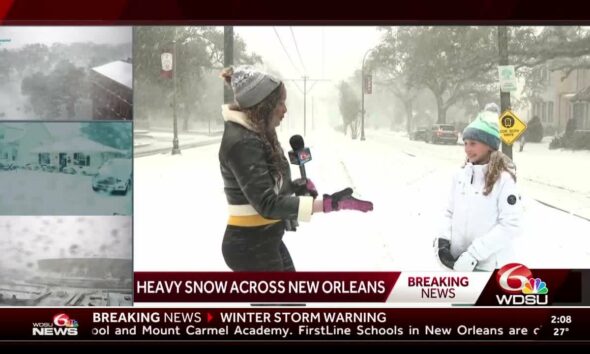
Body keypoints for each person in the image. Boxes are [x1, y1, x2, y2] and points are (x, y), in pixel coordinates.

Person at [218, 66, 373, 272]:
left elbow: (264, 188)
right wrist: (328, 204)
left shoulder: (256, 135)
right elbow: (266, 203)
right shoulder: (242, 142)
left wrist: (293, 187)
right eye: (280, 103)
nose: (285, 110)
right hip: (249, 246)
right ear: (264, 106)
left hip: (264, 238)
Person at [434, 103, 523, 271]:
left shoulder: (504, 180)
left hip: (489, 267)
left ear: (489, 145)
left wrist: (474, 254)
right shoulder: (460, 176)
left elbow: (511, 225)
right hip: (457, 265)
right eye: (465, 143)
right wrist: (443, 241)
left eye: (473, 143)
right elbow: (449, 212)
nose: (467, 149)